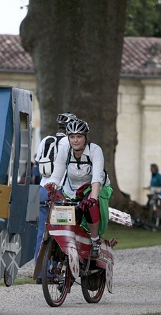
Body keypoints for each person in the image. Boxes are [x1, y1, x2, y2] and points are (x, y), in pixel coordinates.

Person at [45, 116, 112, 259]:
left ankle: (95, 241)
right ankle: (59, 240)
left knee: (89, 206)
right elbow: (57, 175)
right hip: (72, 190)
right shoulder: (65, 150)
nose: (75, 140)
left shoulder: (95, 150)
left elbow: (97, 177)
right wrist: (51, 187)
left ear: (86, 137)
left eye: (79, 136)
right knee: (60, 209)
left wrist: (93, 198)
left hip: (95, 188)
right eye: (72, 136)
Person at [32, 112, 73, 283]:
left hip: (43, 189)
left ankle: (41, 273)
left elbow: (37, 160)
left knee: (42, 233)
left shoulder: (45, 140)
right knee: (62, 232)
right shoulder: (70, 143)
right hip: (61, 192)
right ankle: (57, 270)